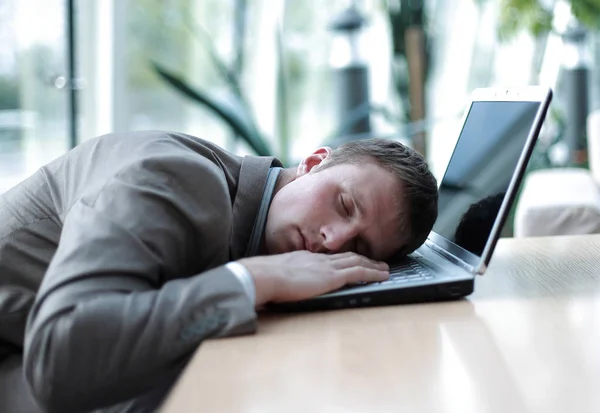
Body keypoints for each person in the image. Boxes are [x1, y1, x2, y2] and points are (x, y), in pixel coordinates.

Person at [0, 130, 438, 412]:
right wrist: (253, 280)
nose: (334, 241)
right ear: (313, 162)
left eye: (359, 247)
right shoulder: (177, 178)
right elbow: (58, 362)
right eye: (344, 204)